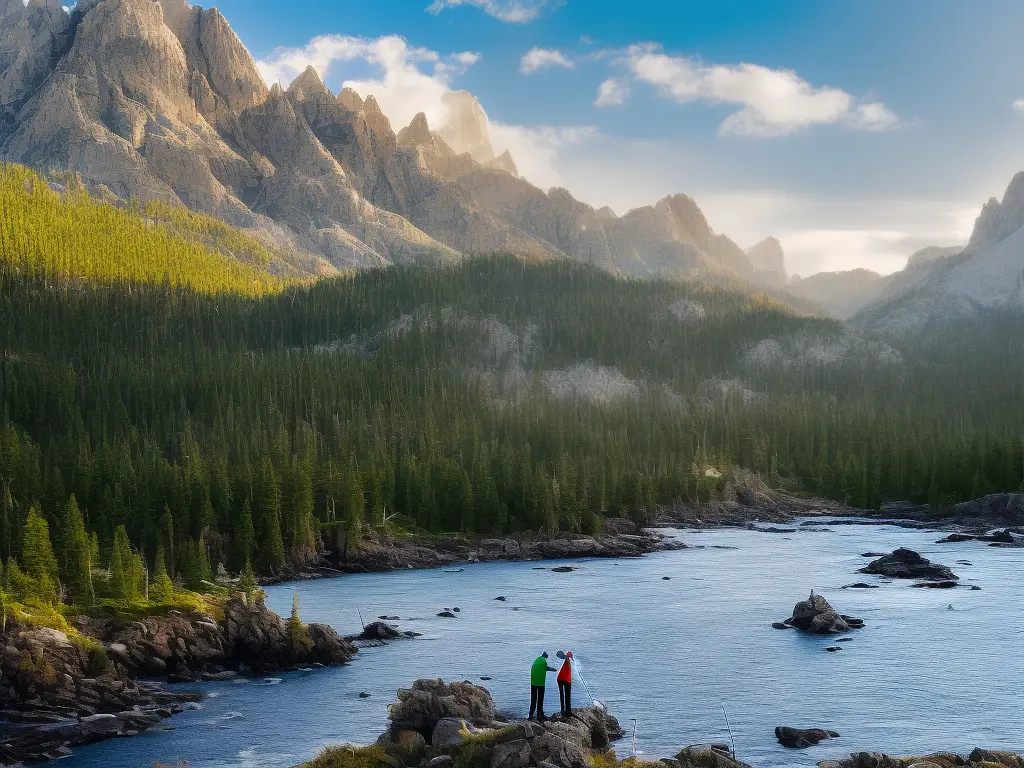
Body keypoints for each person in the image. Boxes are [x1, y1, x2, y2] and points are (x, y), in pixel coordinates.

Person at [529, 652, 555, 721]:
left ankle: (530, 716)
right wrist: (553, 669)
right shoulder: (544, 661)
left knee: (533, 700)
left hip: (533, 683)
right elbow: (546, 667)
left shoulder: (537, 660)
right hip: (540, 684)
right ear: (546, 657)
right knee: (540, 701)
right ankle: (540, 716)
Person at [557, 651, 573, 717]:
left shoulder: (567, 661)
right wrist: (568, 656)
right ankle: (567, 712)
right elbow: (567, 655)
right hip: (565, 680)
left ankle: (563, 711)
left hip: (560, 679)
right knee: (567, 696)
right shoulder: (567, 660)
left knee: (562, 696)